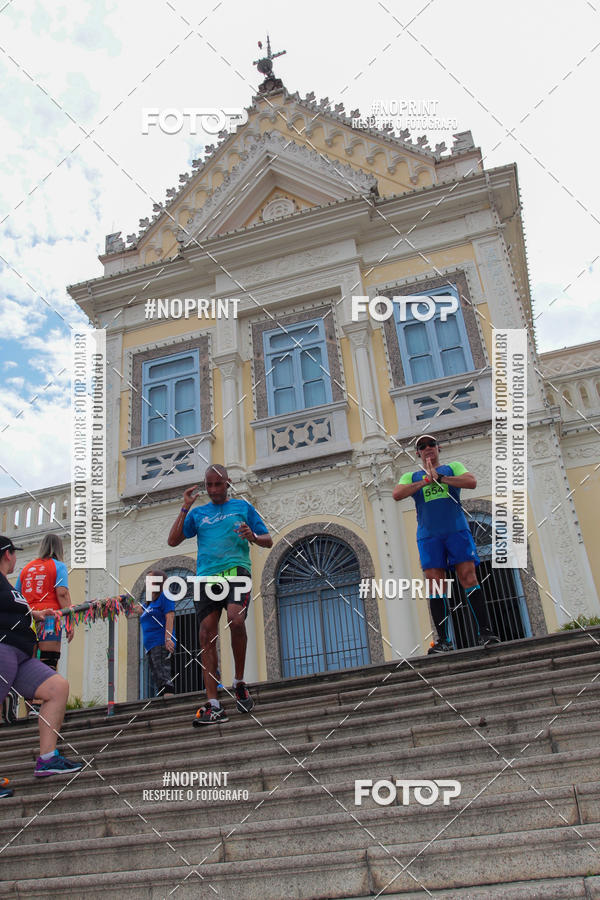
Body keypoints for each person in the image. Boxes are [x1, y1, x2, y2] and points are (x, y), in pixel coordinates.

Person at [168, 464, 272, 725]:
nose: (214, 489)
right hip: (206, 577)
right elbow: (173, 540)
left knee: (236, 620)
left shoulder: (243, 507)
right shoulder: (198, 513)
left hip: (236, 571)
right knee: (206, 636)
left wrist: (252, 536)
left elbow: (268, 539)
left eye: (218, 484)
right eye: (209, 485)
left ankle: (238, 681)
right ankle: (214, 704)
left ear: (228, 482)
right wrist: (185, 507)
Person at [393, 435, 500, 653]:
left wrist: (440, 479)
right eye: (422, 446)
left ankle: (486, 633)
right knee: (435, 584)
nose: (428, 448)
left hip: (456, 531)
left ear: (438, 448)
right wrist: (425, 481)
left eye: (431, 444)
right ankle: (443, 641)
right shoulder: (411, 476)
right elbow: (397, 494)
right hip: (429, 535)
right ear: (418, 453)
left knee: (468, 576)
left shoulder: (452, 468)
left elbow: (471, 482)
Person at [0, 536, 82, 781]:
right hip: (4, 648)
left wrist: (37, 613)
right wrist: (66, 618)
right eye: (14, 553)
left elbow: (14, 605)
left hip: (23, 651)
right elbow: (63, 591)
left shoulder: (14, 580)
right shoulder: (56, 567)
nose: (16, 558)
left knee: (57, 687)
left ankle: (47, 759)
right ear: (7, 554)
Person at [134, 569, 176, 699]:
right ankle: (164, 696)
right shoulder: (149, 603)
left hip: (160, 642)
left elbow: (170, 617)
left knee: (163, 672)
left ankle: (169, 698)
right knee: (157, 673)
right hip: (150, 645)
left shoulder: (165, 596)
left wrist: (168, 638)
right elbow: (134, 610)